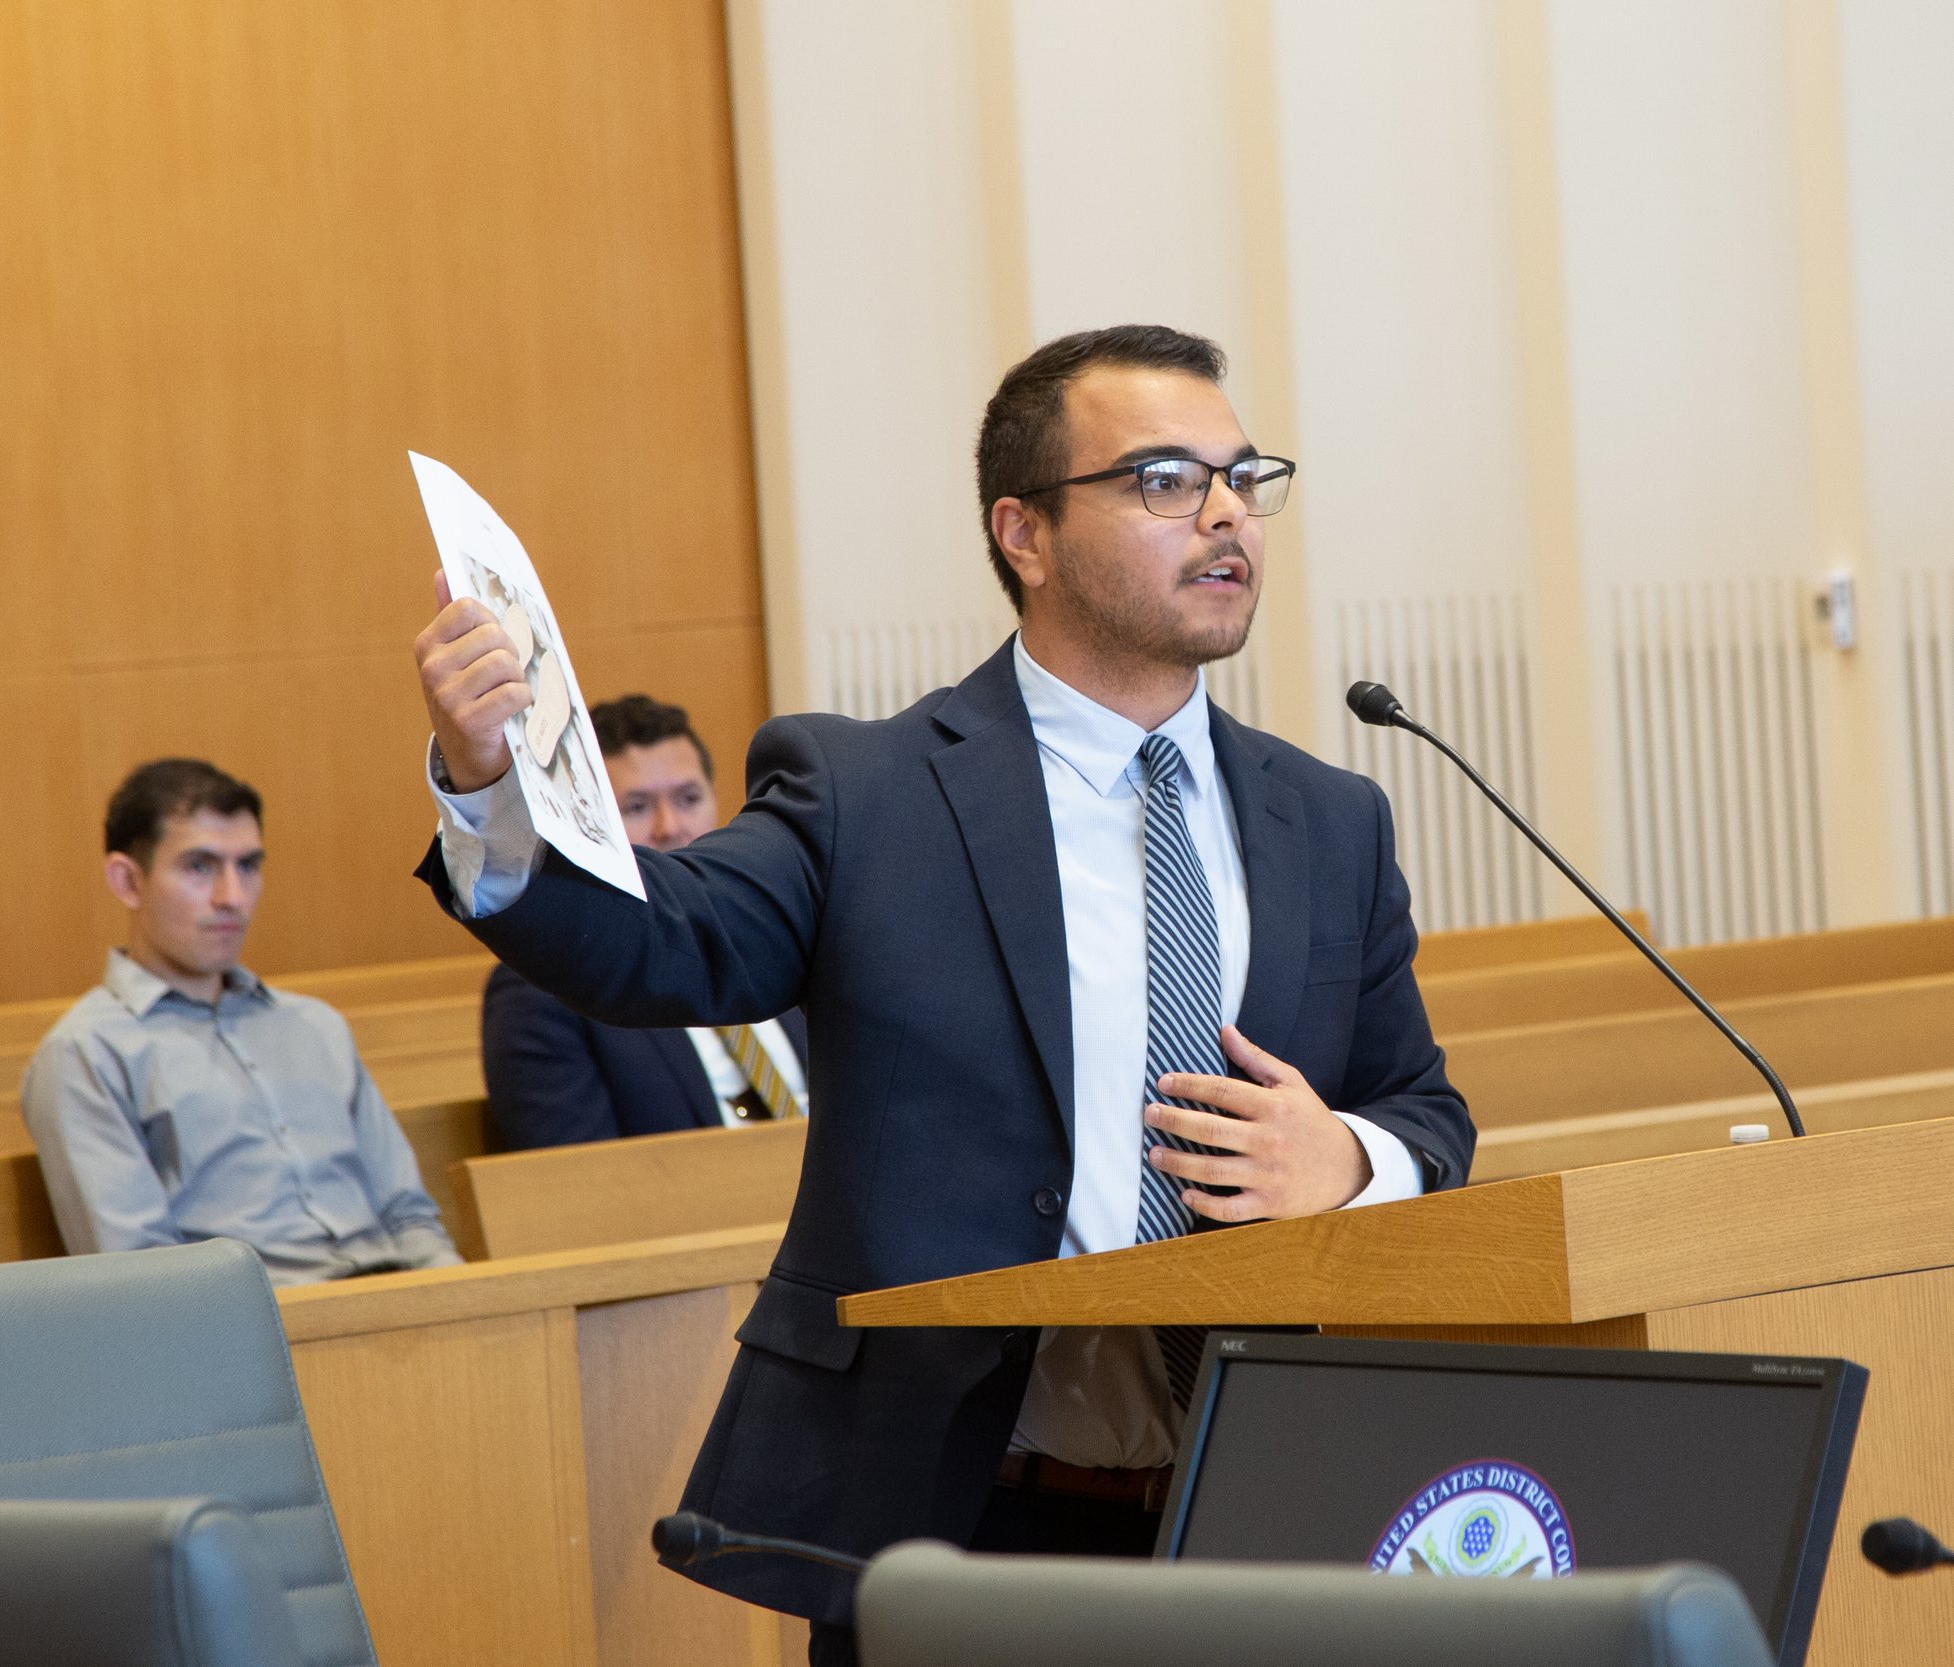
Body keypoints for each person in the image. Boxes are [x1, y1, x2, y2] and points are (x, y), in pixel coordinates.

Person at [411, 325, 1474, 1660]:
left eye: (1241, 476)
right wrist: (487, 783)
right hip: (959, 1522)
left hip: (1262, 1505)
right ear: (1023, 532)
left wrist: (1349, 1154)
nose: (1222, 516)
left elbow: (1425, 1107)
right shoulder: (869, 789)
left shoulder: (1330, 815)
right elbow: (659, 942)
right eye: (1162, 480)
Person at [22, 758, 461, 1284]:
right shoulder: (86, 1053)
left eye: (248, 866)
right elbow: (142, 1277)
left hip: (397, 1305)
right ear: (128, 881)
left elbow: (408, 1215)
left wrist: (457, 1298)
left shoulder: (314, 1025)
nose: (232, 897)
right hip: (261, 1331)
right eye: (199, 867)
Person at [481, 693, 811, 1149]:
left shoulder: (779, 932)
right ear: (585, 821)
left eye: (689, 798)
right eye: (636, 806)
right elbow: (575, 1188)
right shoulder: (540, 988)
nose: (670, 826)